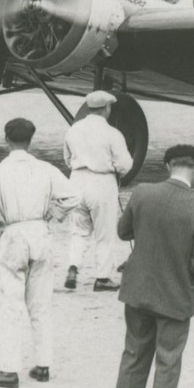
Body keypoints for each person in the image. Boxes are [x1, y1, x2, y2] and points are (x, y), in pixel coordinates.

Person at [105, 145, 194, 388]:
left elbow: (122, 231)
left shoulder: (142, 193)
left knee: (133, 356)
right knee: (167, 364)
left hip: (138, 291)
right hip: (175, 299)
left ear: (167, 165)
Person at [0, 118, 82, 388]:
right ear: (30, 140)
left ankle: (9, 370)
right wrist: (53, 213)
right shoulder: (45, 169)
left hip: (14, 234)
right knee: (41, 304)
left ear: (6, 140)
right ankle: (43, 364)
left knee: (11, 304)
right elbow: (72, 197)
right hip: (40, 234)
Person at [63, 89, 134, 291]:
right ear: (107, 109)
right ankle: (102, 278)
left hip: (76, 180)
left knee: (79, 231)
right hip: (102, 181)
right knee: (104, 233)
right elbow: (125, 164)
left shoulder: (73, 130)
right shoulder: (112, 133)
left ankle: (73, 266)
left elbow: (67, 159)